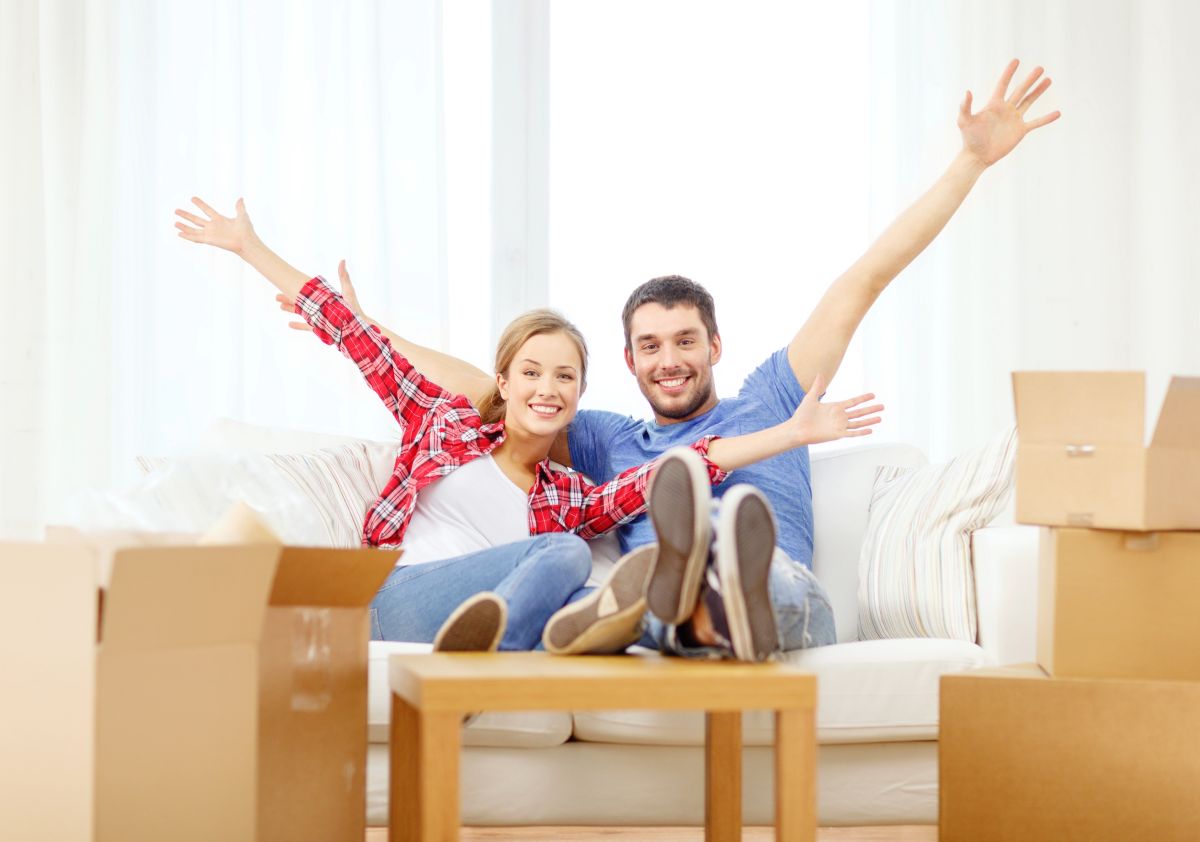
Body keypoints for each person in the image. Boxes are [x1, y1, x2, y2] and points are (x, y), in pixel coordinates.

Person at [276, 59, 1061, 661]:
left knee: (772, 585)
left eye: (686, 341)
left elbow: (865, 279)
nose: (671, 360)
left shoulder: (775, 397)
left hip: (779, 590)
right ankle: (683, 607)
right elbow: (494, 390)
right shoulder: (608, 440)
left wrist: (971, 164)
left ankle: (717, 592)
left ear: (715, 345)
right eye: (650, 347)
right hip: (658, 596)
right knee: (651, 592)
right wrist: (362, 330)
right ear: (628, 361)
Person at [174, 199, 883, 656]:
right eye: (532, 373)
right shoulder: (443, 419)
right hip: (401, 591)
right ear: (503, 383)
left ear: (580, 397)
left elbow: (684, 463)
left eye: (566, 377)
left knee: (576, 566)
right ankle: (522, 644)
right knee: (564, 557)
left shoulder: (568, 493)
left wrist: (790, 433)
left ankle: (661, 618)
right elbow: (354, 336)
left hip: (496, 601)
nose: (547, 388)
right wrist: (248, 246)